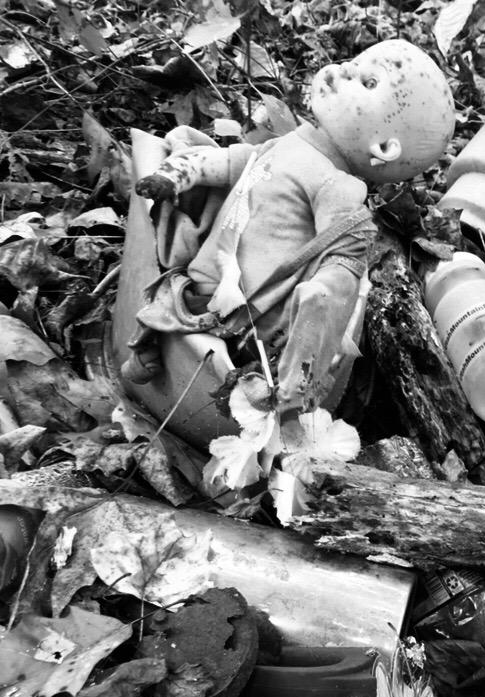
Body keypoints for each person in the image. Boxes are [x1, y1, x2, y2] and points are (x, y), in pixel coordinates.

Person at [123, 39, 455, 416]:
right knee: (166, 298)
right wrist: (178, 174)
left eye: (368, 82)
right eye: (354, 61)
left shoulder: (337, 187)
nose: (345, 69)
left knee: (188, 330)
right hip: (208, 276)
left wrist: (320, 306)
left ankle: (160, 361)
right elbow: (234, 163)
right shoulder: (287, 145)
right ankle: (149, 348)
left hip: (244, 313)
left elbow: (341, 258)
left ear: (384, 147)